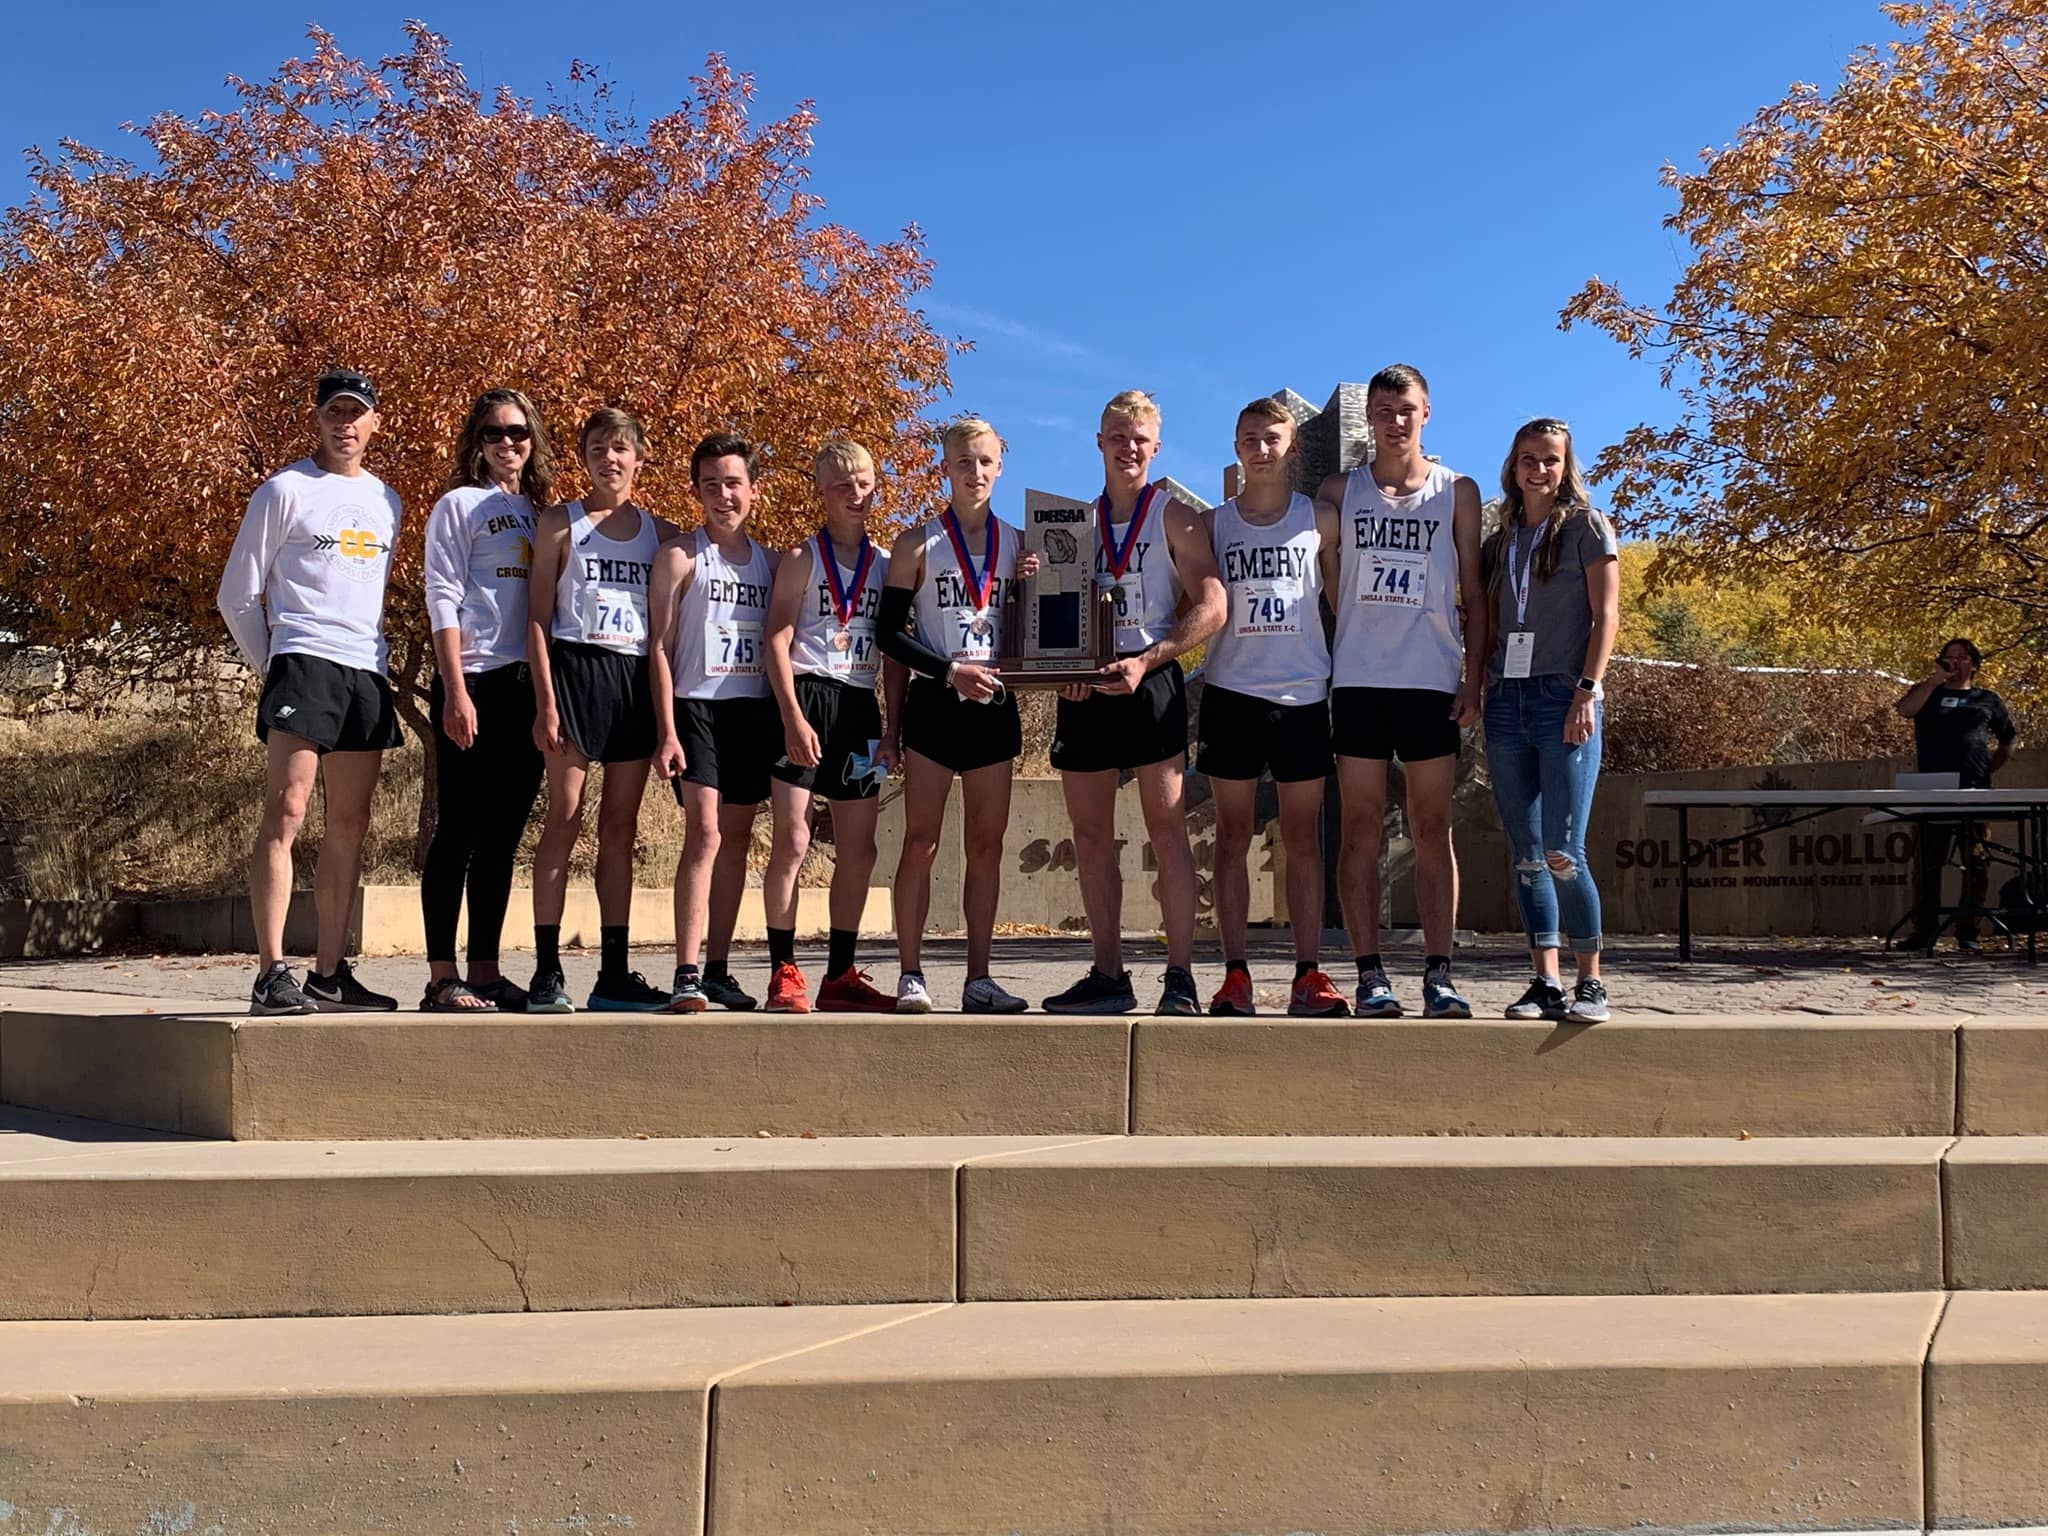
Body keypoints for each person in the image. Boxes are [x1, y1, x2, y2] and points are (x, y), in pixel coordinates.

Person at [217, 369, 404, 1016]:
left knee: (350, 823)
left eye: (357, 413)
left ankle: (329, 973)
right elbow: (237, 592)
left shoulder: (387, 501)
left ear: (375, 423)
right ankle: (272, 973)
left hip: (364, 670)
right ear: (317, 419)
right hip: (303, 660)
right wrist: (276, 663)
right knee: (287, 812)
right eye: (334, 413)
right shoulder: (284, 490)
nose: (345, 424)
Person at [1042, 390, 1226, 1017]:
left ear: (1155, 448)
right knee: (1090, 836)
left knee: (1166, 831)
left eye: (1139, 438)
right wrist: (1056, 665)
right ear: (1098, 442)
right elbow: (1047, 615)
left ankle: (1179, 977)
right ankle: (1108, 975)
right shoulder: (1069, 526)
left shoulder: (1175, 517)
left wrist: (1150, 658)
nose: (1127, 447)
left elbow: (1213, 604)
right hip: (1085, 685)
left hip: (1149, 680)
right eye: (1117, 435)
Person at [1316, 364, 1484, 1021]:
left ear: (1427, 413)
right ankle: (1369, 973)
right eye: (1382, 411)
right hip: (1359, 680)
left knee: (1431, 826)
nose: (1394, 421)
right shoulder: (1338, 491)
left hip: (1431, 680)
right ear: (1370, 420)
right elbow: (1325, 576)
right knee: (1359, 827)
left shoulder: (1456, 491)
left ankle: (1440, 974)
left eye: (1405, 409)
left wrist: (1473, 675)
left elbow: (1472, 588)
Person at [1195, 399, 1348, 1017]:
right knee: (1231, 836)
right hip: (1231, 694)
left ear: (1293, 448)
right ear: (1236, 447)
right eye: (1249, 439)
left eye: (1272, 438)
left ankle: (1308, 974)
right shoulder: (1212, 525)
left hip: (1303, 695)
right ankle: (1235, 975)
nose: (1261, 449)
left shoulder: (1323, 520)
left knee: (1303, 839)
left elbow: (1347, 600)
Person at [875, 417, 1032, 1013]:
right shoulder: (916, 544)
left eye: (986, 461)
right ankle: (910, 973)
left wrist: (1029, 592)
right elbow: (889, 633)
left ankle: (979, 978)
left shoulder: (1019, 545)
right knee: (920, 841)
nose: (975, 472)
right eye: (963, 462)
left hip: (994, 703)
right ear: (945, 468)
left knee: (986, 847)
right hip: (937, 704)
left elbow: (1035, 634)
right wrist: (946, 671)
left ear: (1000, 466)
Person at [525, 406, 676, 1013]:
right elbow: (536, 617)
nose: (609, 460)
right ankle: (545, 970)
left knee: (620, 828)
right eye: (596, 449)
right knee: (564, 818)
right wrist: (545, 702)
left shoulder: (662, 534)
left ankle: (614, 973)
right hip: (574, 674)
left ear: (639, 458)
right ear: (584, 458)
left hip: (634, 683)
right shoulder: (560, 523)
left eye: (620, 449)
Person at [1478, 418, 1619, 1022]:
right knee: (1528, 854)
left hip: (1565, 695)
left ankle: (1592, 981)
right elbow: (1482, 619)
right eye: (1528, 459)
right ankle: (1546, 981)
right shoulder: (1499, 538)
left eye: (1551, 460)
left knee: (1565, 850)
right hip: (1506, 697)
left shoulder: (1587, 525)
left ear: (1567, 468)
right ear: (1513, 465)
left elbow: (1606, 612)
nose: (1539, 470)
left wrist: (1587, 690)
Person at [417, 389, 554, 1011]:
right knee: (460, 830)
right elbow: (442, 595)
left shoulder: (542, 510)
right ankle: (442, 975)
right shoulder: (458, 505)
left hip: (529, 684)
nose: (507, 444)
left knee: (502, 836)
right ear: (477, 440)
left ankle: (487, 969)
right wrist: (453, 689)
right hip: (474, 677)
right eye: (495, 433)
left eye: (518, 433)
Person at [758, 440, 899, 1012]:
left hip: (862, 710)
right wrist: (791, 715)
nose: (857, 494)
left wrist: (892, 729)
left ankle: (840, 974)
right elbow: (776, 638)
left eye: (865, 483)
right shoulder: (802, 558)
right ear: (822, 492)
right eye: (843, 485)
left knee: (859, 850)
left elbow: (894, 651)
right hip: (807, 699)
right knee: (793, 839)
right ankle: (782, 969)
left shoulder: (887, 564)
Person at [649, 433, 782, 1011]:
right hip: (695, 707)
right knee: (703, 834)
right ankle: (685, 970)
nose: (724, 495)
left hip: (752, 711)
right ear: (696, 491)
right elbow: (658, 645)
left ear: (753, 489)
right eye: (711, 485)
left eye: (734, 483)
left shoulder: (773, 563)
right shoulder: (681, 555)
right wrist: (667, 729)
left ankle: (720, 969)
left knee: (736, 843)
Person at [1895, 637, 2019, 952]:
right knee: (1928, 862)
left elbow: (2008, 741)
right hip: (1932, 790)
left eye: (1963, 658)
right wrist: (1934, 681)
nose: (1955, 663)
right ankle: (1924, 930)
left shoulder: (1987, 699)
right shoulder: (1928, 694)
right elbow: (1904, 710)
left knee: (1976, 860)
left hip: (1975, 790)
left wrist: (1987, 770)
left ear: (1974, 664)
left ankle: (1969, 930)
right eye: (1949, 657)